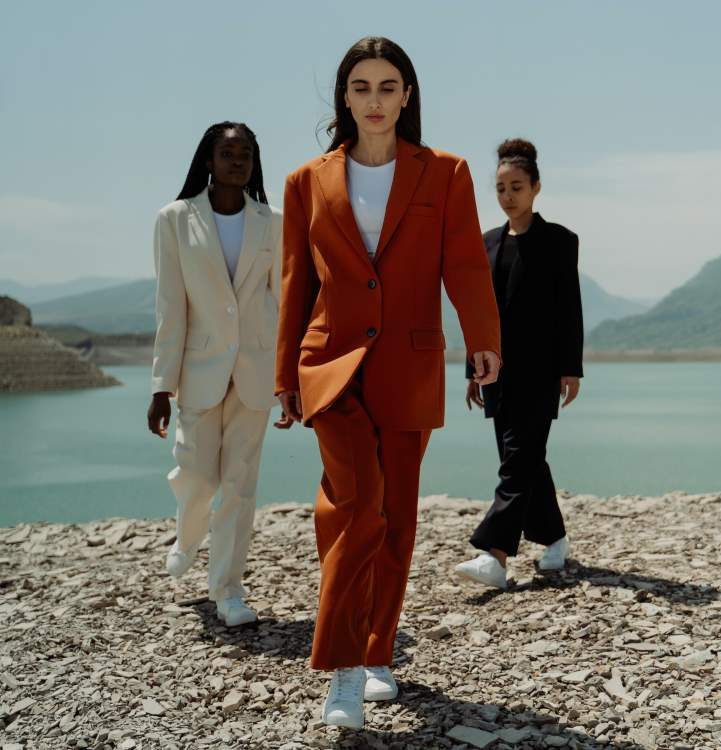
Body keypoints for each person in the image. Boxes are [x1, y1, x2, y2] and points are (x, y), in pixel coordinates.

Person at [275, 36, 501, 730]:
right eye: (362, 86)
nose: (375, 100)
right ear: (344, 97)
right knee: (358, 503)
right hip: (330, 364)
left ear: (408, 96)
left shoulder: (446, 173)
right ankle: (341, 672)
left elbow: (464, 264)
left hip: (409, 362)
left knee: (395, 514)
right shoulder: (305, 181)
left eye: (388, 86)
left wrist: (483, 339)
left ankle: (378, 654)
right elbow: (295, 283)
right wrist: (286, 374)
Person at [147, 122, 286, 627]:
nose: (237, 162)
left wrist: (287, 379)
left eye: (245, 153)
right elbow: (170, 307)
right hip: (199, 370)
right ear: (208, 159)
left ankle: (228, 589)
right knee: (197, 477)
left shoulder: (272, 222)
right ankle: (187, 535)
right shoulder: (175, 220)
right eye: (227, 153)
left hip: (255, 372)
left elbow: (286, 302)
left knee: (239, 486)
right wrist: (162, 386)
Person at [455, 138, 584, 590]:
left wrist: (572, 367)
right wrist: (473, 369)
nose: (508, 195)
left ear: (536, 188)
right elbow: (476, 311)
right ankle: (553, 537)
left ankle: (494, 555)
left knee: (517, 460)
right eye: (500, 188)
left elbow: (570, 307)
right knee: (526, 459)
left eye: (516, 186)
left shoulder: (560, 242)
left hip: (542, 370)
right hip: (497, 373)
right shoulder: (485, 243)